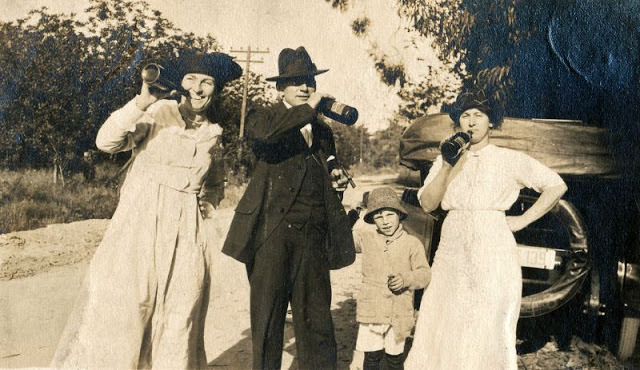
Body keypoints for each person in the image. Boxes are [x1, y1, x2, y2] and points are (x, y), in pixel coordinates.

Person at [51, 51, 242, 368]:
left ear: (216, 89)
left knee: (181, 312)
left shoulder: (213, 133)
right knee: (129, 308)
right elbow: (106, 142)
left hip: (185, 235)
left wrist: (204, 207)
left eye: (207, 82)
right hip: (138, 227)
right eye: (191, 80)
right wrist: (141, 101)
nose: (198, 89)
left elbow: (216, 184)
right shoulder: (158, 112)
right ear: (181, 84)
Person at [404, 90, 568, 369]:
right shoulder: (446, 160)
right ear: (458, 124)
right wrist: (446, 166)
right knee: (444, 316)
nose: (471, 122)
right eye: (465, 116)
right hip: (453, 245)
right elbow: (429, 204)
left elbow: (556, 185)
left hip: (493, 245)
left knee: (489, 321)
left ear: (490, 122)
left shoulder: (508, 159)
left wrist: (522, 220)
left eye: (478, 116)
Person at [222, 46, 356, 370]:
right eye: (296, 82)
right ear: (280, 87)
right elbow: (269, 137)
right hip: (271, 234)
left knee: (317, 321)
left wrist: (335, 174)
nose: (306, 88)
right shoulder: (262, 117)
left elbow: (325, 163)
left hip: (313, 234)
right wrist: (311, 108)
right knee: (268, 321)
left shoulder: (322, 129)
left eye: (309, 80)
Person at [351, 187, 431, 370]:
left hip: (399, 311)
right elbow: (346, 242)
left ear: (400, 215)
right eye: (378, 217)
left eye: (389, 214)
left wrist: (406, 279)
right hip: (373, 309)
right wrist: (353, 215)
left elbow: (425, 274)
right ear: (371, 220)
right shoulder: (366, 238)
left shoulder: (412, 243)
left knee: (395, 359)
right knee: (371, 358)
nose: (385, 221)